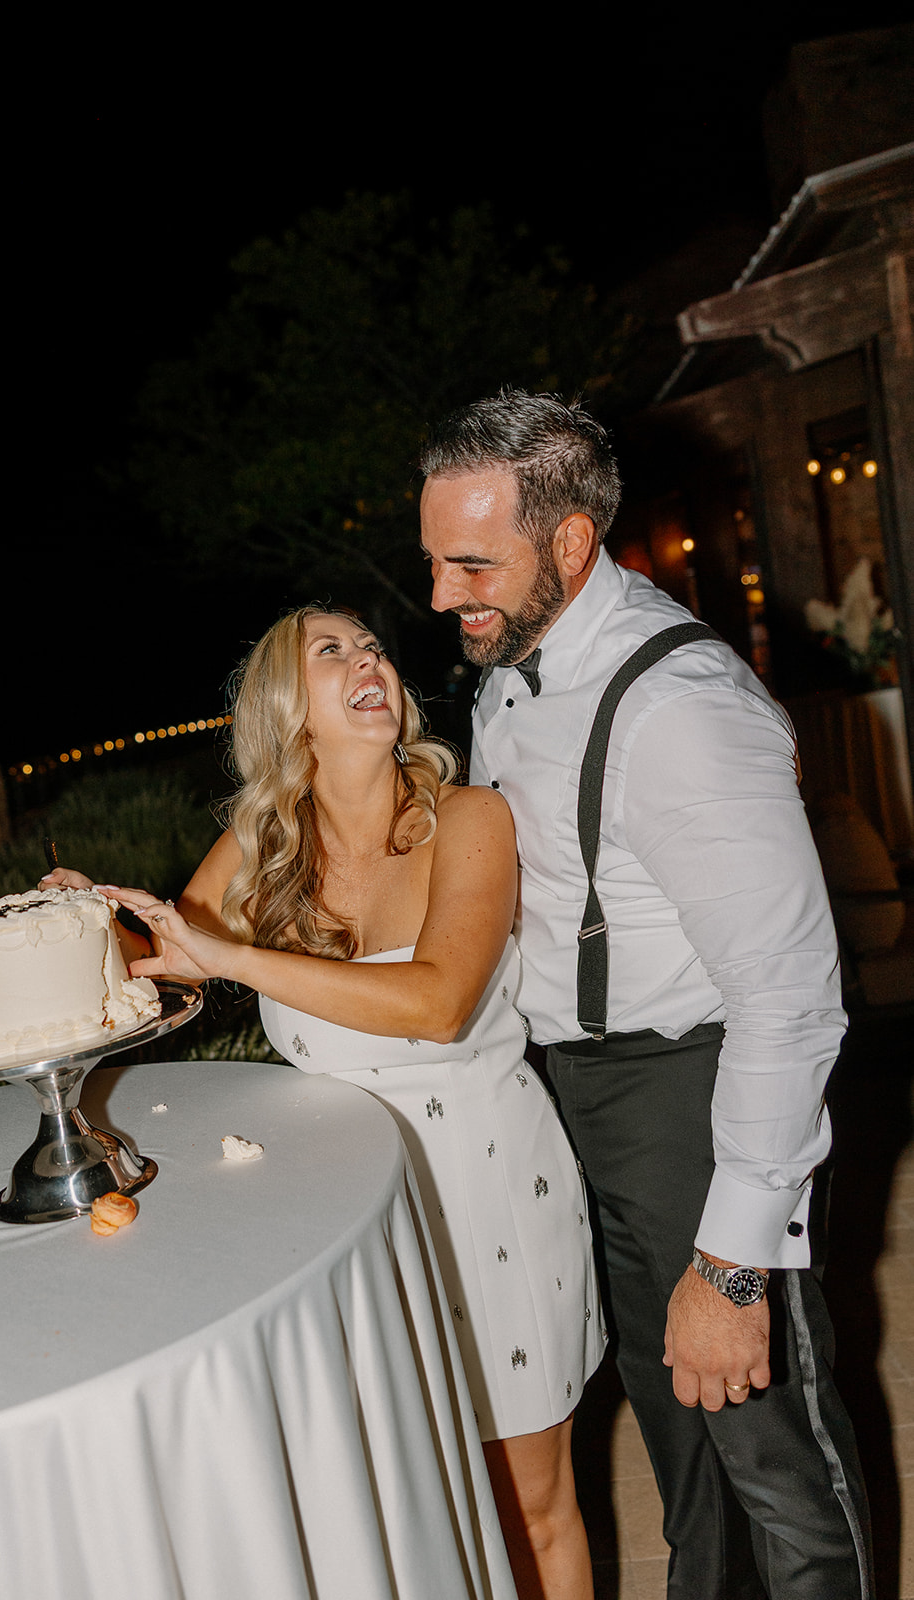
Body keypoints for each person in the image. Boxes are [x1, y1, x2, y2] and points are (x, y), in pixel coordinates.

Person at [45, 606, 606, 1600]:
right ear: (285, 710)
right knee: (414, 1498)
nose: (370, 660)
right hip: (352, 1220)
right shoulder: (265, 851)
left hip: (488, 1201)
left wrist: (231, 955)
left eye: (373, 646)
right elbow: (160, 970)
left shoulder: (470, 818)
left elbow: (435, 1004)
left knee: (527, 1501)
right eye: (332, 651)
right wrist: (79, 920)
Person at [416, 388, 874, 1600]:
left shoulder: (677, 705)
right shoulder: (510, 666)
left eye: (470, 562)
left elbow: (788, 999)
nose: (439, 594)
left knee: (775, 1457)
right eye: (432, 559)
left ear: (569, 544)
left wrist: (730, 1264)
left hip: (692, 1096)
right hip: (586, 1102)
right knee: (685, 1464)